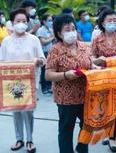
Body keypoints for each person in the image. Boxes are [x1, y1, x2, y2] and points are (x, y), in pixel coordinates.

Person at [45, 15, 92, 153]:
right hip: (66, 98)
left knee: (88, 126)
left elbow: (89, 64)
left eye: (73, 28)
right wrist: (66, 75)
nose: (71, 32)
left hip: (87, 95)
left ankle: (82, 148)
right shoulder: (55, 50)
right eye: (67, 29)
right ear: (59, 33)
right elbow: (48, 75)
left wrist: (95, 66)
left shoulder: (84, 46)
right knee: (66, 129)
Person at [0, 8, 45, 153]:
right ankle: (19, 139)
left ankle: (30, 140)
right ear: (12, 23)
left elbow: (43, 60)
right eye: (18, 21)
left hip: (29, 81)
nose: (21, 24)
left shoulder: (34, 39)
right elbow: (1, 61)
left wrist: (37, 61)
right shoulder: (6, 41)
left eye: (24, 21)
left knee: (28, 111)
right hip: (11, 83)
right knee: (16, 111)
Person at [91, 8, 116, 152]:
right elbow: (91, 58)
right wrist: (97, 61)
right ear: (102, 22)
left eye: (115, 20)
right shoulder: (97, 39)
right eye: (109, 20)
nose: (113, 23)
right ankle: (106, 132)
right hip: (103, 78)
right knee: (105, 108)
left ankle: (112, 137)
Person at [36, 14, 55, 94]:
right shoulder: (41, 30)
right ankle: (44, 88)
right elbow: (43, 42)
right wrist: (52, 38)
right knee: (44, 70)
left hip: (51, 51)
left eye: (51, 20)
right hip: (44, 51)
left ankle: (49, 87)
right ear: (44, 21)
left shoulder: (51, 29)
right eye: (49, 20)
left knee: (50, 69)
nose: (51, 22)